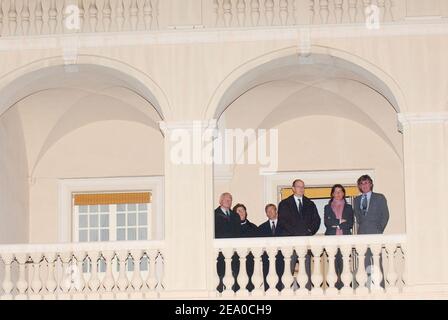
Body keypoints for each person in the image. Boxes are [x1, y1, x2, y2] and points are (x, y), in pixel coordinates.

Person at [324, 184, 355, 290]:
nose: (338, 194)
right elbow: (327, 222)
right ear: (332, 194)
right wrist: (341, 221)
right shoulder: (327, 207)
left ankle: (346, 290)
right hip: (331, 240)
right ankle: (334, 291)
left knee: (345, 267)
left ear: (343, 193)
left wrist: (336, 223)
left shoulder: (349, 207)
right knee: (333, 267)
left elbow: (350, 223)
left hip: (345, 240)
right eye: (336, 192)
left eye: (340, 191)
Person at [257, 204, 285, 291]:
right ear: (266, 214)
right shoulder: (261, 228)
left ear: (276, 211)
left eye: (272, 210)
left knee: (280, 281)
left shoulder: (285, 226)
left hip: (281, 258)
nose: (270, 212)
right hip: (267, 259)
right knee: (267, 281)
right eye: (267, 211)